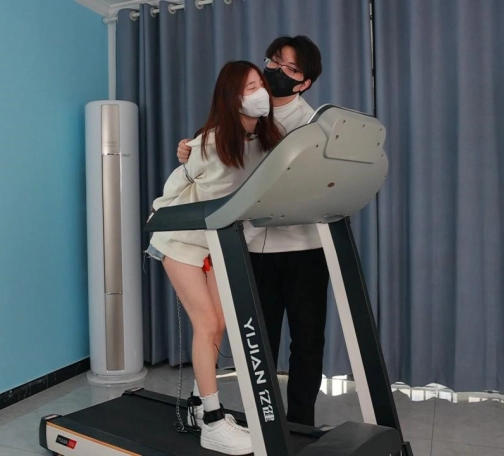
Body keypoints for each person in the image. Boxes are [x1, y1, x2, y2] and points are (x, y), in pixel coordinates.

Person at [176, 36, 327, 427]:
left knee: (308, 340)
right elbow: (215, 158)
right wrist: (190, 152)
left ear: (304, 82)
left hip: (305, 248)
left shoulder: (313, 125)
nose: (275, 72)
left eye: (289, 69)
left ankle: (301, 424)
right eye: (273, 62)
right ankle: (266, 420)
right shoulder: (243, 112)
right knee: (260, 341)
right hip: (255, 249)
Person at [146, 60, 284, 455]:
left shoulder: (265, 141)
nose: (260, 93)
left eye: (260, 84)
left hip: (215, 244)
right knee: (206, 325)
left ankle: (197, 405)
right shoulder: (210, 143)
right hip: (180, 240)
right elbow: (176, 186)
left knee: (219, 325)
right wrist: (159, 214)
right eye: (250, 87)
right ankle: (211, 421)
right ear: (232, 97)